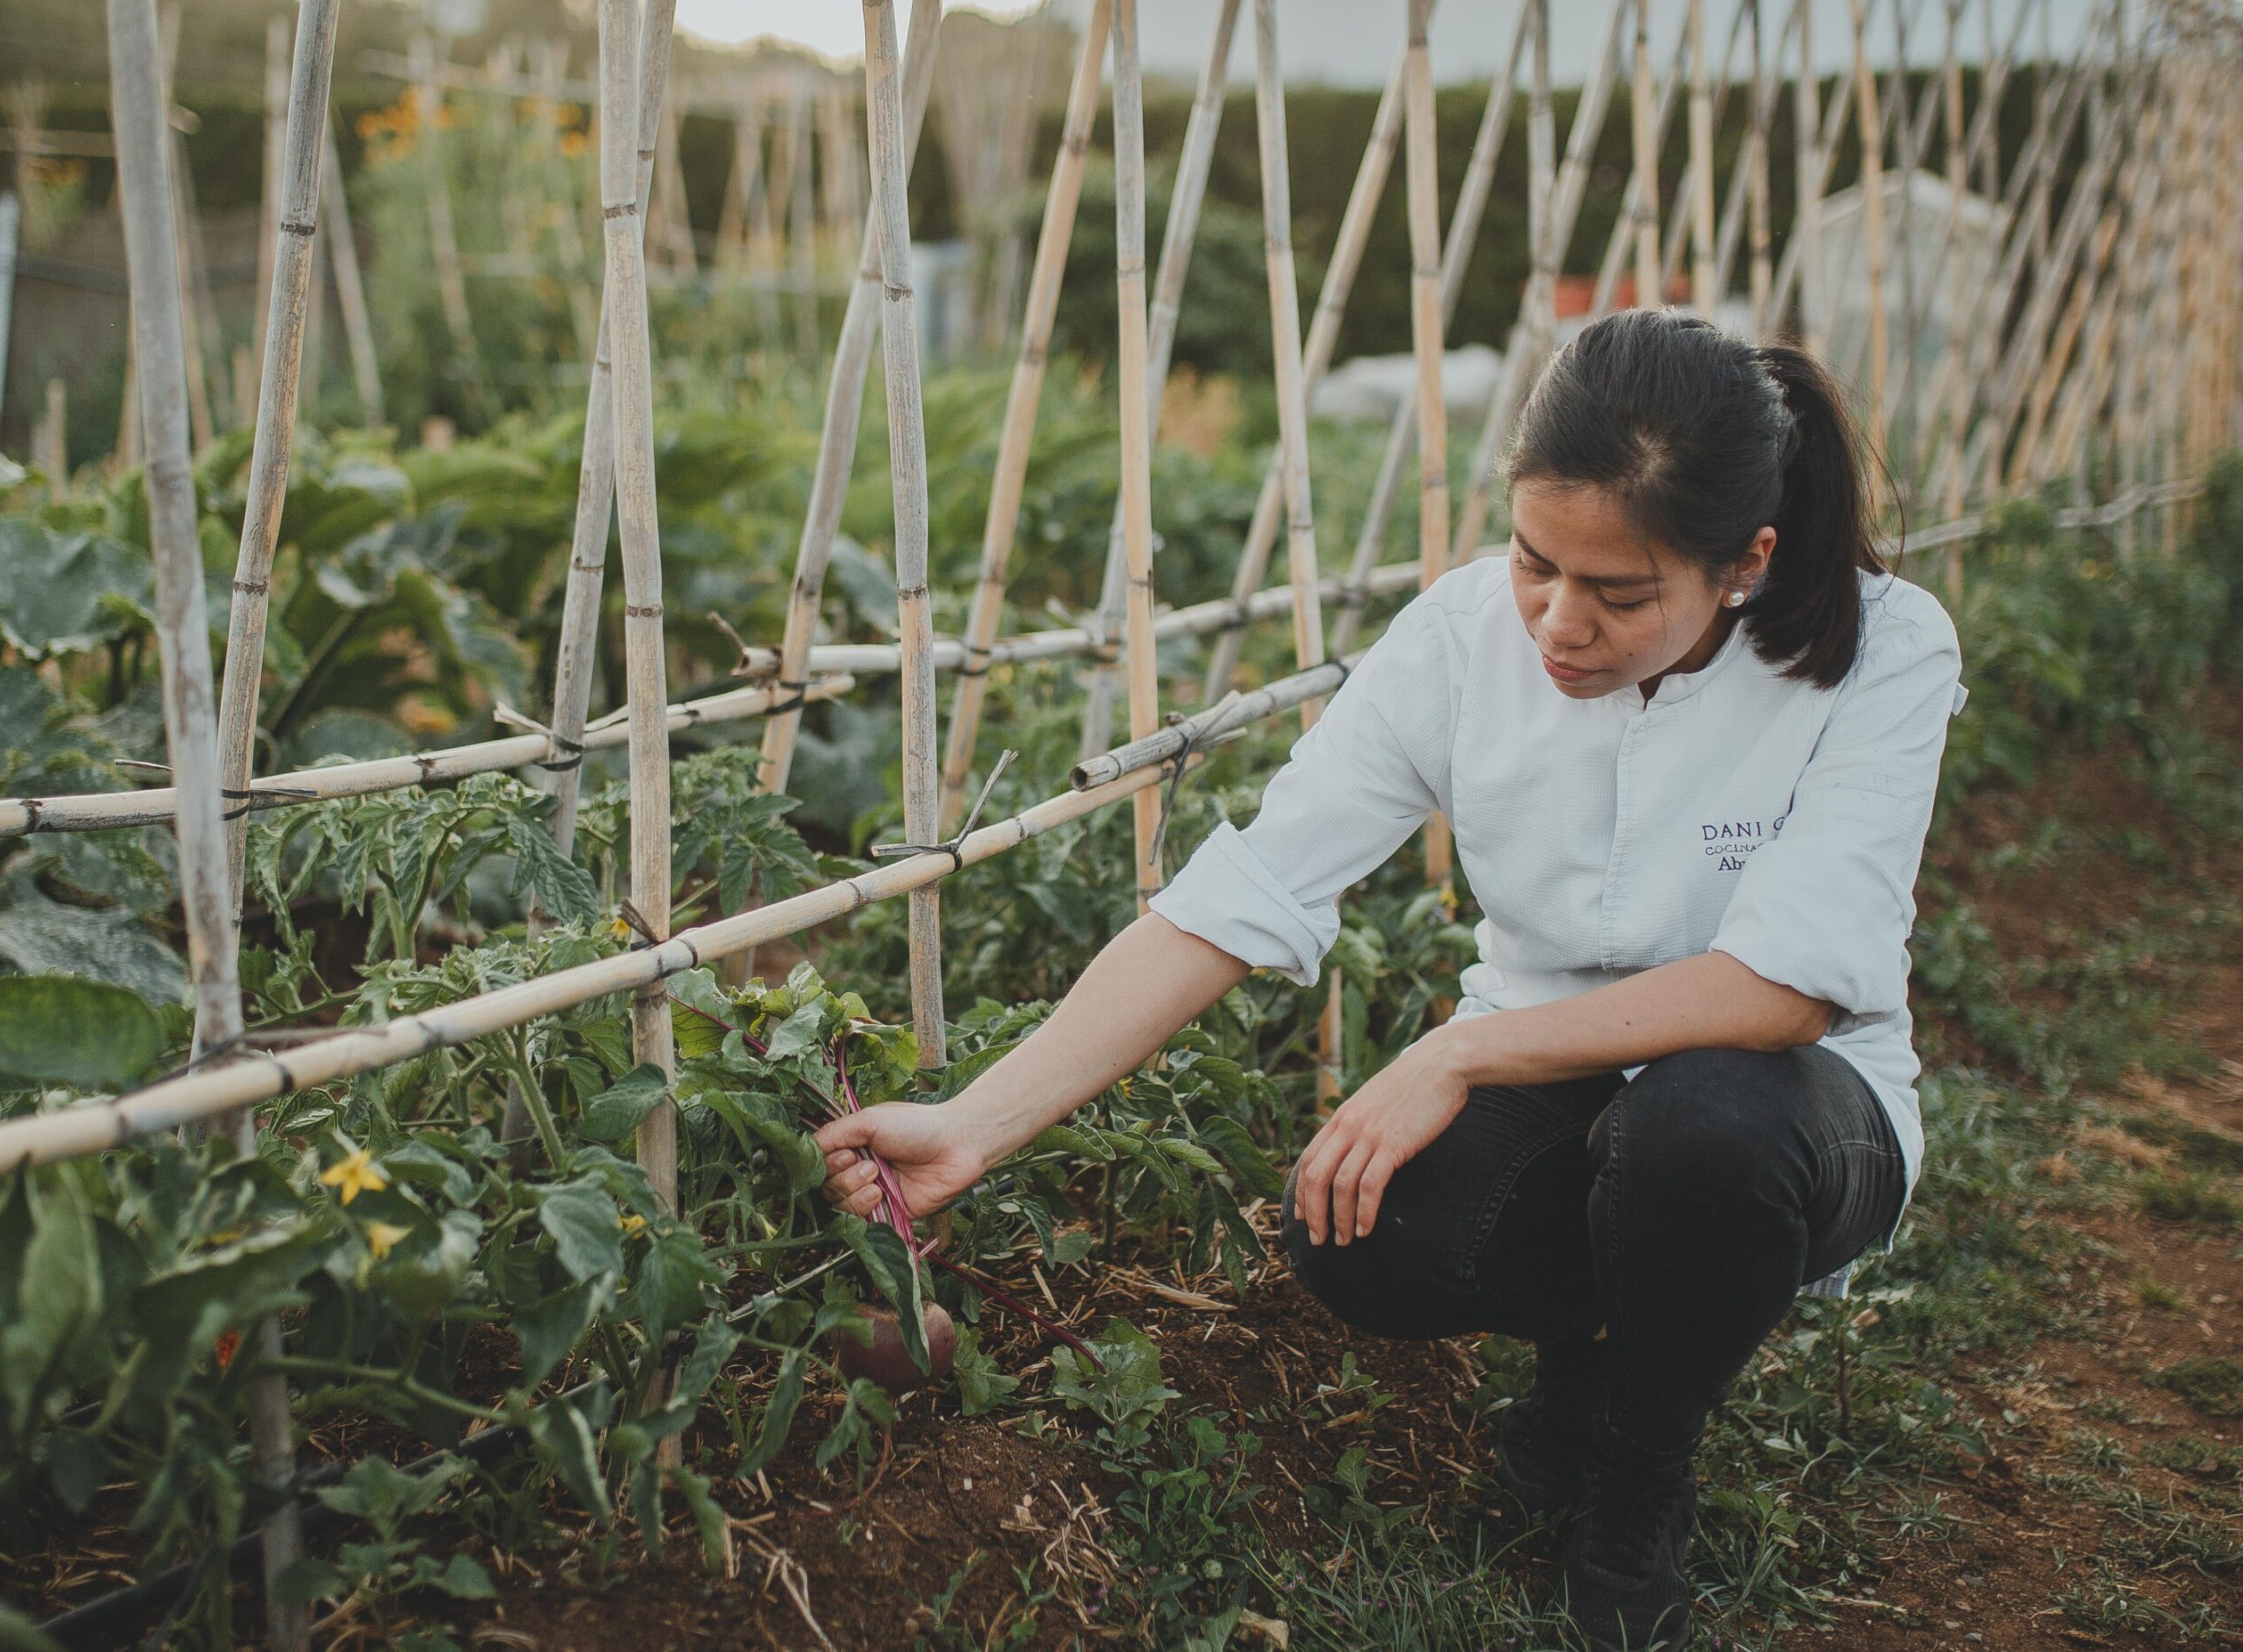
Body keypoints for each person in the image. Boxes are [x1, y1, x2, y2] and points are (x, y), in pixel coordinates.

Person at [812, 308, 1965, 1652]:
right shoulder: (1469, 635)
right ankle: (1590, 1355)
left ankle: (1636, 1470)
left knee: (1703, 1127)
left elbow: (1783, 993)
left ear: (1745, 564)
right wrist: (974, 1124)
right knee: (1360, 1227)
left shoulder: (1881, 645)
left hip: (1792, 1110)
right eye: (1537, 561)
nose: (1558, 620)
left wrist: (1456, 1052)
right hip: (1567, 1087)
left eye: (1622, 592)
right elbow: (1245, 893)